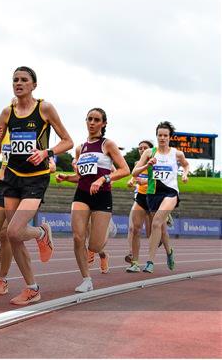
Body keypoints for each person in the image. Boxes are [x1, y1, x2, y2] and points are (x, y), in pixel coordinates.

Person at [0, 66, 73, 305]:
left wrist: (46, 152)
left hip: (36, 177)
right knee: (12, 237)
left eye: (24, 80)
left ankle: (40, 233)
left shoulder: (44, 108)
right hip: (12, 176)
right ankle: (32, 288)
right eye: (15, 79)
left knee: (14, 231)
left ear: (33, 85)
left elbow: (67, 141)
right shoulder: (7, 112)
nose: (18, 83)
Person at [56, 108, 129, 292]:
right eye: (89, 119)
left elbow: (124, 170)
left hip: (102, 195)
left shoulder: (108, 145)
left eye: (97, 120)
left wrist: (103, 179)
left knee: (94, 245)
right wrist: (67, 177)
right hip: (82, 194)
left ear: (103, 124)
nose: (92, 122)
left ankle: (106, 230)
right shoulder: (80, 148)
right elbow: (81, 176)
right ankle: (86, 279)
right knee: (78, 237)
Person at [132, 121, 189, 273]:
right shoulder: (149, 152)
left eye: (165, 135)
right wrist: (146, 165)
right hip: (152, 192)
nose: (162, 138)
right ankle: (169, 251)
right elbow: (134, 173)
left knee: (156, 223)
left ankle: (149, 262)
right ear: (156, 136)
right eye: (159, 135)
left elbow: (186, 164)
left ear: (170, 137)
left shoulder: (177, 153)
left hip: (170, 192)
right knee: (162, 230)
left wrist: (184, 174)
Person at [125, 140, 173, 272]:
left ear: (150, 150)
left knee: (158, 232)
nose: (141, 150)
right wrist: (131, 181)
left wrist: (145, 180)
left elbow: (162, 180)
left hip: (154, 196)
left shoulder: (159, 161)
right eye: (139, 148)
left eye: (144, 148)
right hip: (141, 197)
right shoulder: (138, 163)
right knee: (135, 229)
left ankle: (169, 252)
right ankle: (135, 263)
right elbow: (134, 176)